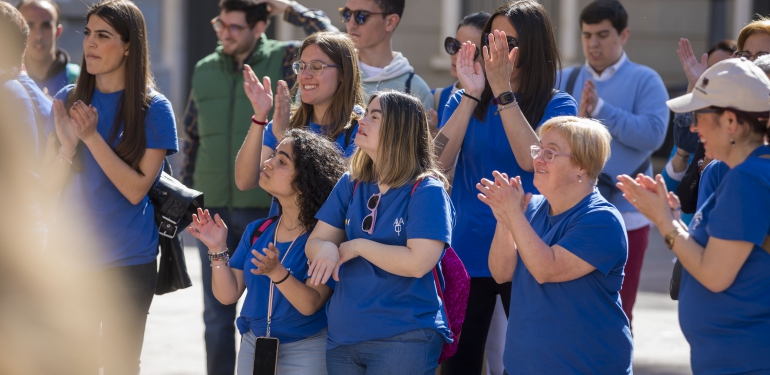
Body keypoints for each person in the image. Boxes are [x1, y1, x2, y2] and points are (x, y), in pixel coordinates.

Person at [181, 1, 337, 373]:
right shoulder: (204, 68)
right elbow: (192, 135)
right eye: (220, 24)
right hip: (217, 206)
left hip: (260, 205)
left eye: (235, 27)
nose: (225, 33)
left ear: (258, 27)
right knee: (216, 317)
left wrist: (290, 9)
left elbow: (332, 45)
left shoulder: (284, 58)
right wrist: (189, 199)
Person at [434, 2, 577, 373]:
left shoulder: (558, 103)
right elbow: (437, 162)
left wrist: (502, 91)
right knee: (459, 366)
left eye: (508, 42)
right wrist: (471, 95)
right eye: (491, 41)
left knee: (530, 363)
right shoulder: (465, 96)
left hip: (530, 252)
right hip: (467, 250)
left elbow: (533, 160)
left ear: (533, 46)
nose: (495, 50)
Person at [40, 0, 178, 373]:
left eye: (103, 36)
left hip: (128, 263)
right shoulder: (68, 99)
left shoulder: (155, 109)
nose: (90, 43)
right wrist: (67, 149)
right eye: (88, 33)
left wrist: (90, 138)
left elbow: (135, 190)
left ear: (129, 46)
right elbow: (47, 186)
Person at [617, 57, 770, 374]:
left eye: (700, 116)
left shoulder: (748, 178)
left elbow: (714, 274)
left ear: (731, 122)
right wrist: (671, 216)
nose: (693, 127)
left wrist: (664, 221)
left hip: (743, 361)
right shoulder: (744, 173)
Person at [306, 91, 454, 374]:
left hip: (404, 337)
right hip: (342, 337)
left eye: (375, 116)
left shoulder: (427, 190)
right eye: (365, 114)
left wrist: (357, 246)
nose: (362, 121)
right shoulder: (351, 182)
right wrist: (325, 248)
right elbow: (315, 242)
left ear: (400, 129)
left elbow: (418, 263)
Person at [480, 116, 632, 374]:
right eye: (538, 150)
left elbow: (545, 269)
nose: (538, 159)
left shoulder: (602, 220)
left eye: (549, 153)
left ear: (582, 166)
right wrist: (505, 219)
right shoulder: (532, 207)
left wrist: (513, 214)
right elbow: (501, 273)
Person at [190, 129, 346, 375]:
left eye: (282, 161)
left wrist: (277, 272)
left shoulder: (322, 238)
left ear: (304, 182)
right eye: (273, 155)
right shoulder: (258, 231)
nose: (268, 163)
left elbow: (310, 304)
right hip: (254, 346)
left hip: (306, 351)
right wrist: (217, 248)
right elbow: (227, 295)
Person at [556, 0, 669, 326]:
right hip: (570, 214)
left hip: (628, 214)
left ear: (624, 35)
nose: (593, 43)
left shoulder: (646, 80)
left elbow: (654, 134)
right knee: (569, 310)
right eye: (587, 35)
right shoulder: (564, 79)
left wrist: (601, 109)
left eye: (603, 35)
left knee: (619, 310)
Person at [234, 31, 365, 194]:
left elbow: (339, 191)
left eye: (316, 67)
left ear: (343, 74)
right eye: (301, 67)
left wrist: (284, 139)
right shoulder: (287, 122)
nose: (305, 75)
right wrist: (260, 117)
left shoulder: (362, 127)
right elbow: (244, 181)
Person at [337, 0, 433, 111]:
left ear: (390, 22)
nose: (351, 24)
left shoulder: (415, 89)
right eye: (347, 14)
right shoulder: (335, 73)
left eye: (361, 15)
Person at [430, 11, 490, 131]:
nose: (457, 56)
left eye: (469, 51)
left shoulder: (500, 106)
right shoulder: (435, 98)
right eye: (454, 45)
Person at [16, 0, 79, 96]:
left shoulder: (80, 78)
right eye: (30, 26)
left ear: (58, 31)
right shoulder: (6, 77)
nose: (39, 36)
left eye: (46, 26)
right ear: (17, 32)